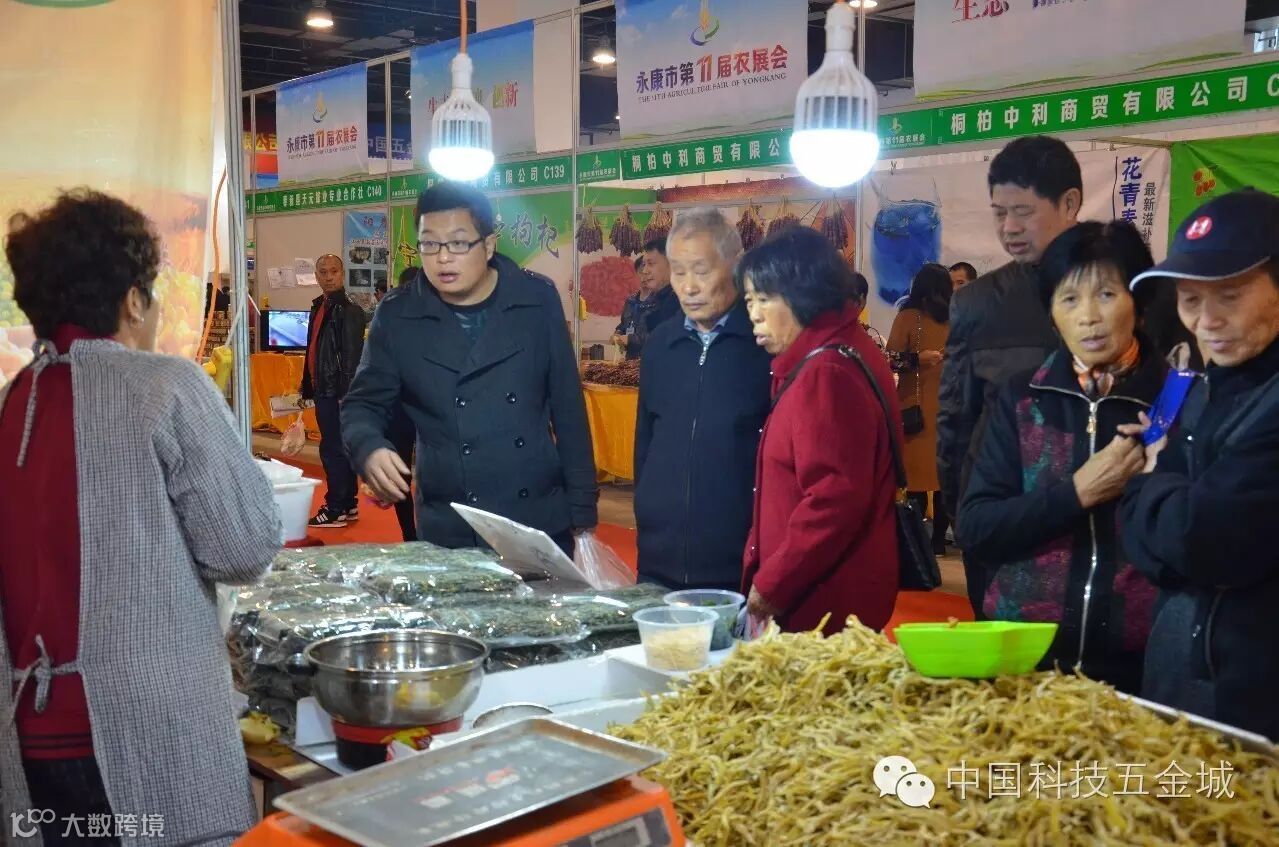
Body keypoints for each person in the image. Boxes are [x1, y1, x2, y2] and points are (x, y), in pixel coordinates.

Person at [0, 189, 281, 844]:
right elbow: (244, 547)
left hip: (28, 735)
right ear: (133, 300)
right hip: (147, 731)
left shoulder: (11, 402)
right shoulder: (166, 386)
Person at [958, 221, 1164, 693]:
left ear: (1139, 303)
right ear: (1052, 314)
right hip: (1024, 660)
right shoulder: (1022, 398)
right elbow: (977, 527)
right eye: (1069, 298)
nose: (1088, 316)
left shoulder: (1176, 401)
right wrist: (1077, 493)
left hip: (1139, 666)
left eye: (1106, 294)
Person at [343, 182, 597, 555]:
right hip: (451, 521)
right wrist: (369, 448)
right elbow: (362, 404)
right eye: (429, 244)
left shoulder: (536, 300)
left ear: (488, 245)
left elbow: (567, 405)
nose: (443, 258)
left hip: (535, 515)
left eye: (459, 243)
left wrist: (582, 504)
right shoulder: (398, 315)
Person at [1120, 188, 1279, 739]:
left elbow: (1208, 540)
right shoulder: (1202, 389)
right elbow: (1150, 545)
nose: (1207, 321)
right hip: (1184, 683)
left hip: (1256, 704)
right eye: (1190, 300)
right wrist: (1164, 504)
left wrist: (1146, 483)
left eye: (1229, 296)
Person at [938, 135, 1081, 615]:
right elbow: (956, 419)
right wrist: (964, 514)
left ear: (1069, 204)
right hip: (1000, 519)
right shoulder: (977, 303)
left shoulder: (1120, 290)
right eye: (999, 213)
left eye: (1023, 211)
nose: (1010, 227)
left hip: (1091, 522)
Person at [740, 227, 901, 635]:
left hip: (821, 606)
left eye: (764, 299)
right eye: (749, 301)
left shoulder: (826, 372)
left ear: (802, 293)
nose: (753, 314)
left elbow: (833, 499)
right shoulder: (830, 351)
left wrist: (772, 583)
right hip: (818, 596)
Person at [634, 208, 771, 591]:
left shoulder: (765, 345)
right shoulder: (660, 344)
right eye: (679, 272)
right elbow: (645, 443)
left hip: (737, 564)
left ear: (735, 265)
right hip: (658, 561)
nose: (689, 287)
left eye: (702, 271)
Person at [887, 263, 951, 556]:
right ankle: (937, 541)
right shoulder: (955, 316)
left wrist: (915, 359)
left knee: (916, 476)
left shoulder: (908, 317)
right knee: (942, 476)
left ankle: (917, 542)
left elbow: (890, 358)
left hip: (916, 407)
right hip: (946, 407)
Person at [301, 253, 367, 528]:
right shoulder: (320, 306)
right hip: (323, 388)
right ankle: (347, 503)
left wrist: (345, 395)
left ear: (343, 274)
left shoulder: (349, 311)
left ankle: (337, 506)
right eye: (323, 272)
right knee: (337, 447)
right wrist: (307, 386)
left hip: (336, 392)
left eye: (333, 271)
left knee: (333, 449)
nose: (328, 277)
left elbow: (352, 358)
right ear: (316, 276)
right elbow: (313, 350)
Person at [611, 239, 679, 360]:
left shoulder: (680, 302)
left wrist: (631, 339)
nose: (645, 271)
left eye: (651, 264)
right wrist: (619, 333)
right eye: (644, 265)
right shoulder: (658, 299)